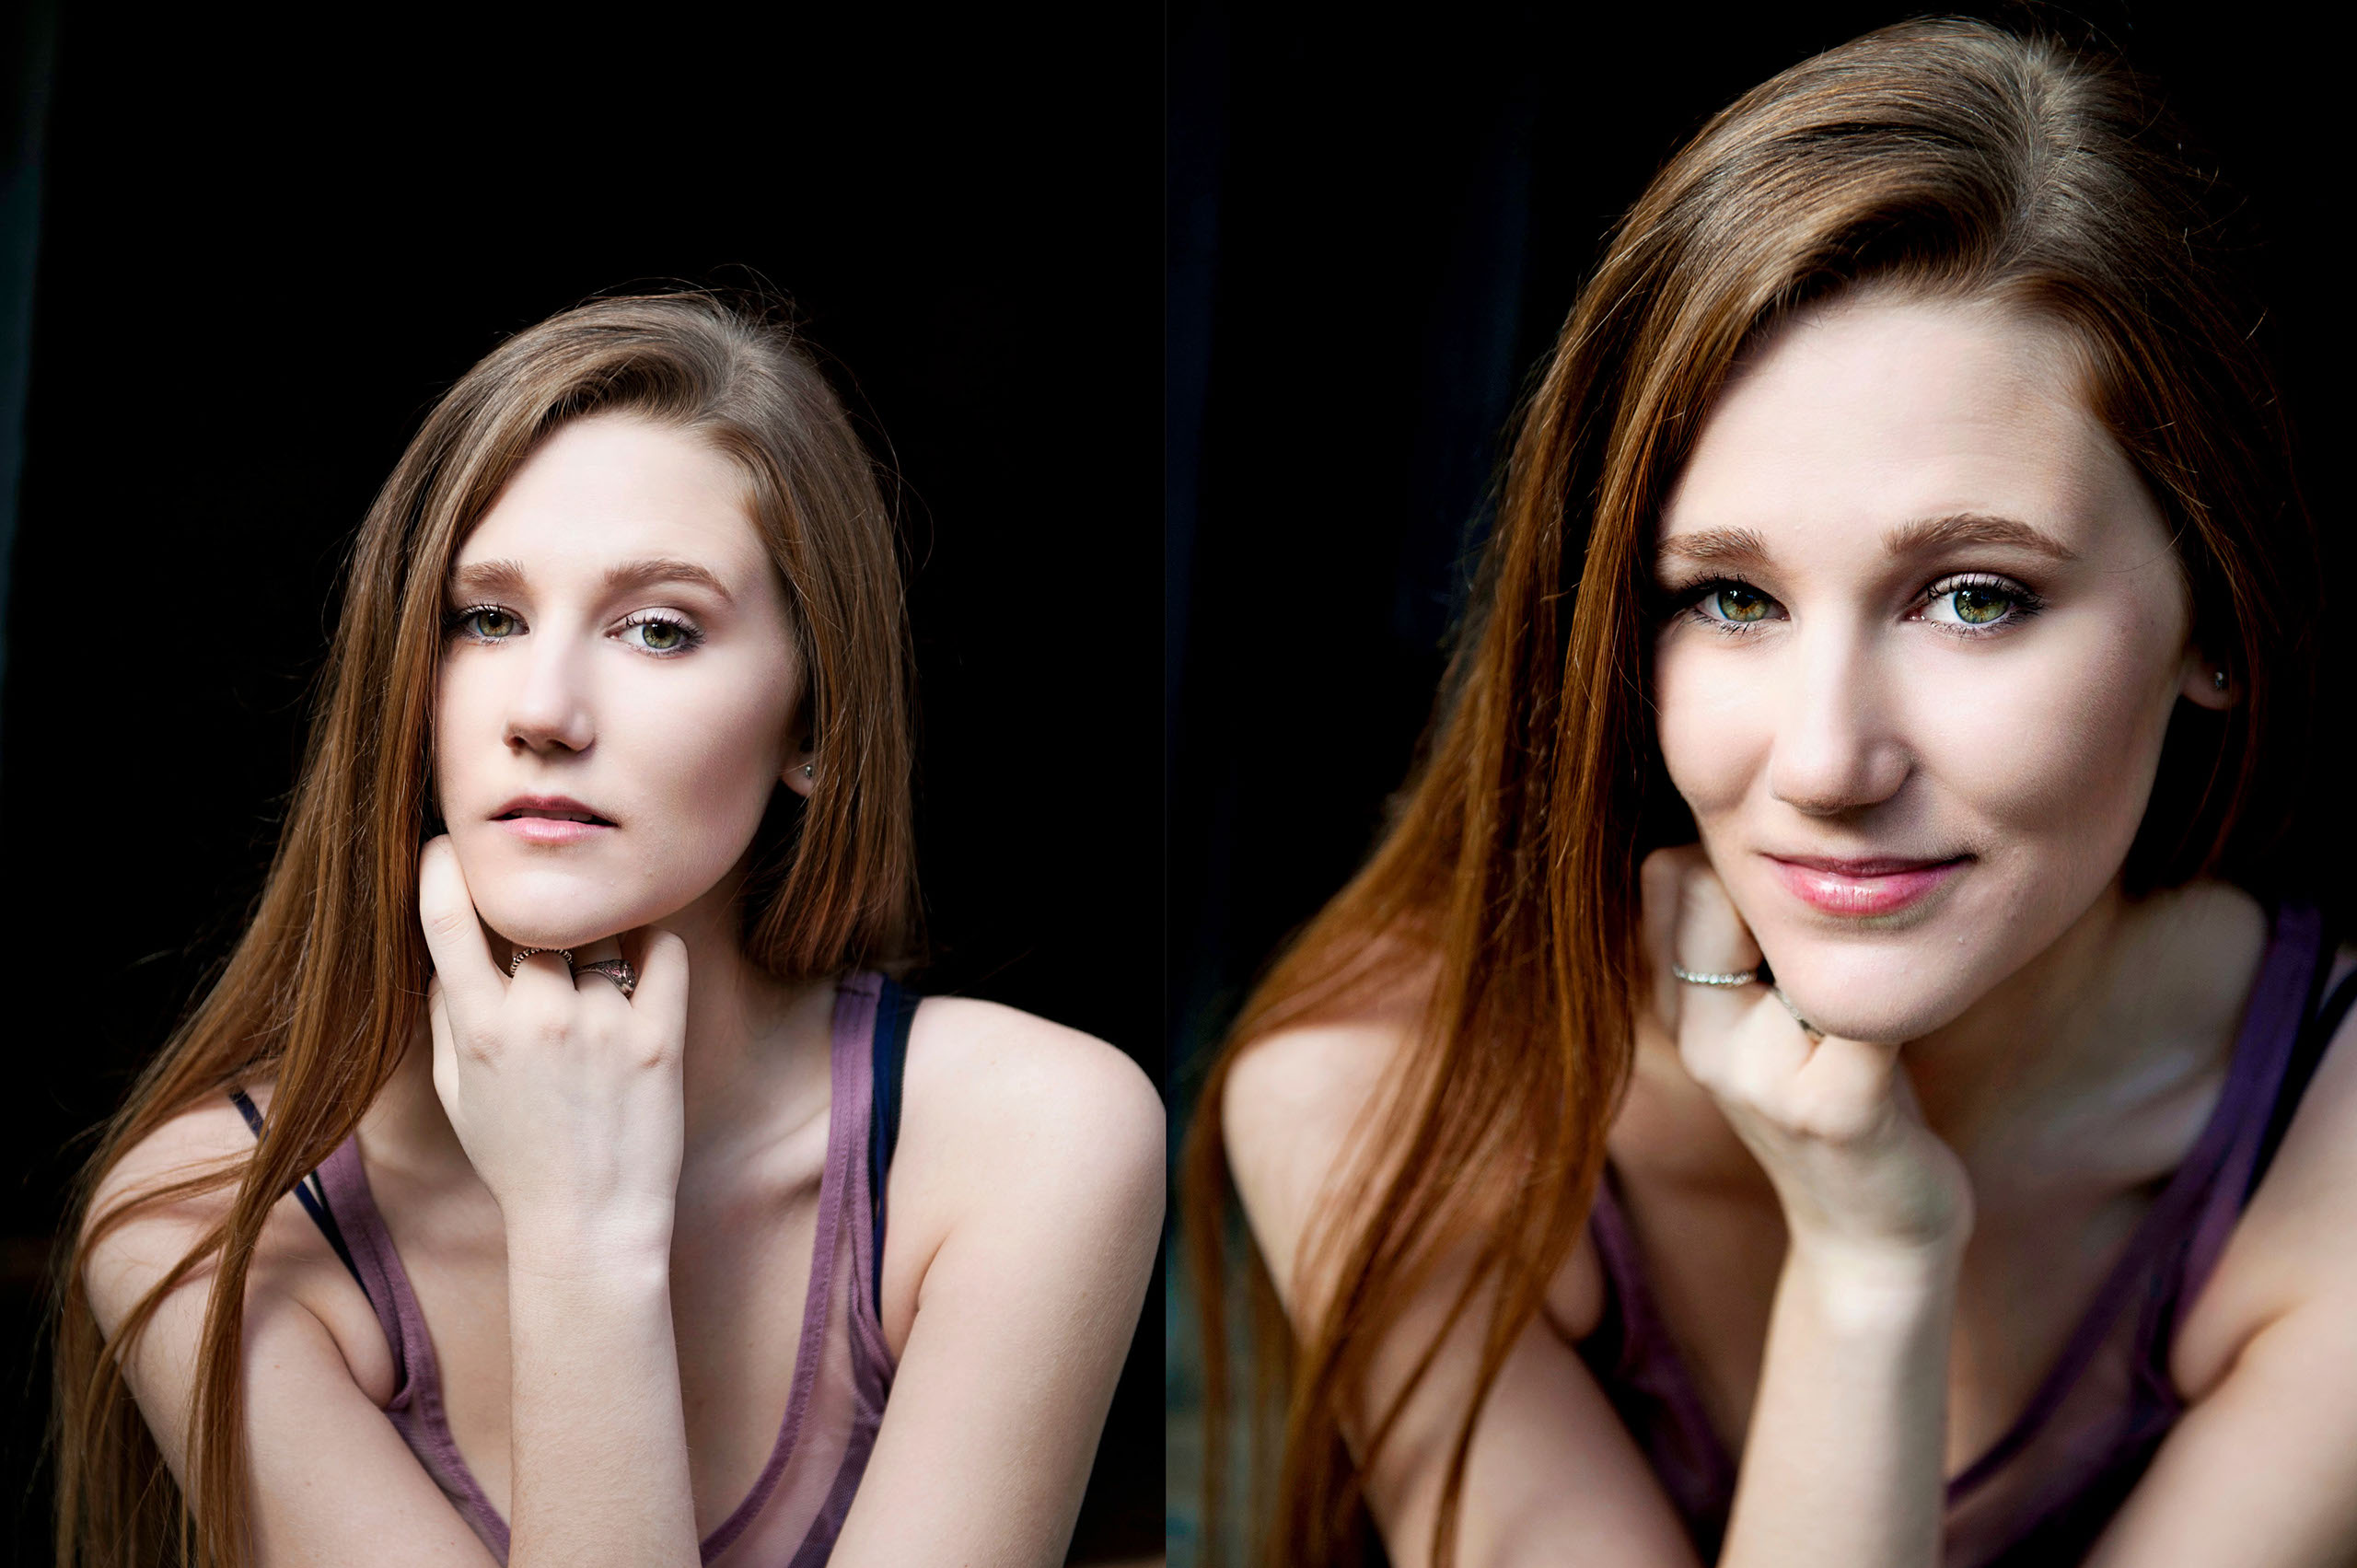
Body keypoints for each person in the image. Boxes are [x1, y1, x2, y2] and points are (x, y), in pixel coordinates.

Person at [1184, 18, 2356, 1568]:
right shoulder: (1382, 1096)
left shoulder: (2329, 1144)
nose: (1824, 762)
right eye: (1731, 599)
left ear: (2217, 616)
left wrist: (1871, 1252)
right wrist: (1867, 1258)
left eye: (1977, 597)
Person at [57, 290, 1165, 1568]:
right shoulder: (201, 1222)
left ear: (816, 723)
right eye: (486, 618)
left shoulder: (1032, 1139)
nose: (543, 710)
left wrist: (589, 1232)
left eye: (658, 629)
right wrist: (580, 1235)